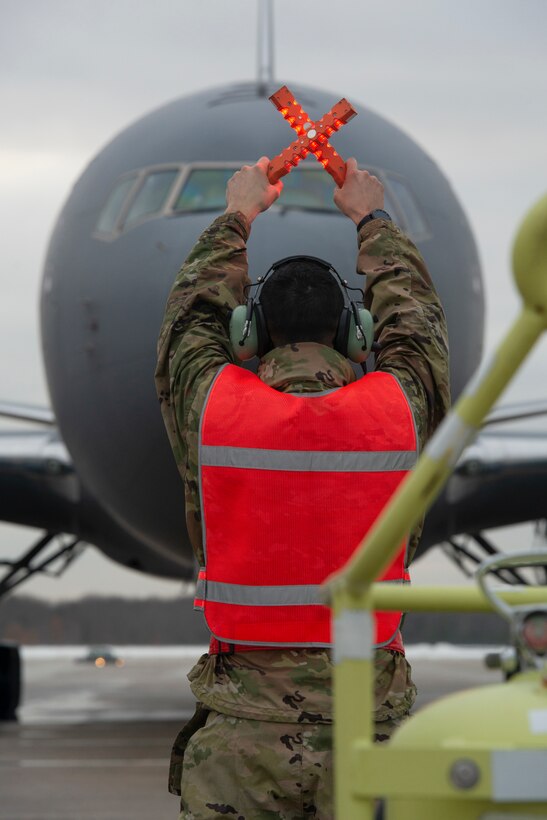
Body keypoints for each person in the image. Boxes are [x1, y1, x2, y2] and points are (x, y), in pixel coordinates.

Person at [155, 156, 450, 819]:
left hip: (242, 743)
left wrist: (238, 212)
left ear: (250, 337)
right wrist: (370, 218)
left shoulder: (215, 410)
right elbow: (416, 328)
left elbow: (189, 321)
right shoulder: (396, 409)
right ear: (357, 336)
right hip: (370, 730)